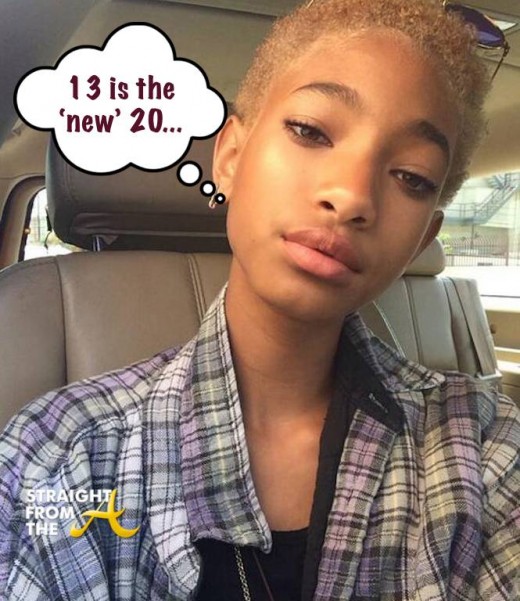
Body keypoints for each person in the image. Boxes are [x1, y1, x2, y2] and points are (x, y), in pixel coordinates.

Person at [1, 0, 519, 599]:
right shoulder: (58, 453)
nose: (352, 196)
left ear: (424, 238)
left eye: (412, 176)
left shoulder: (484, 443)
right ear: (230, 157)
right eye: (310, 131)